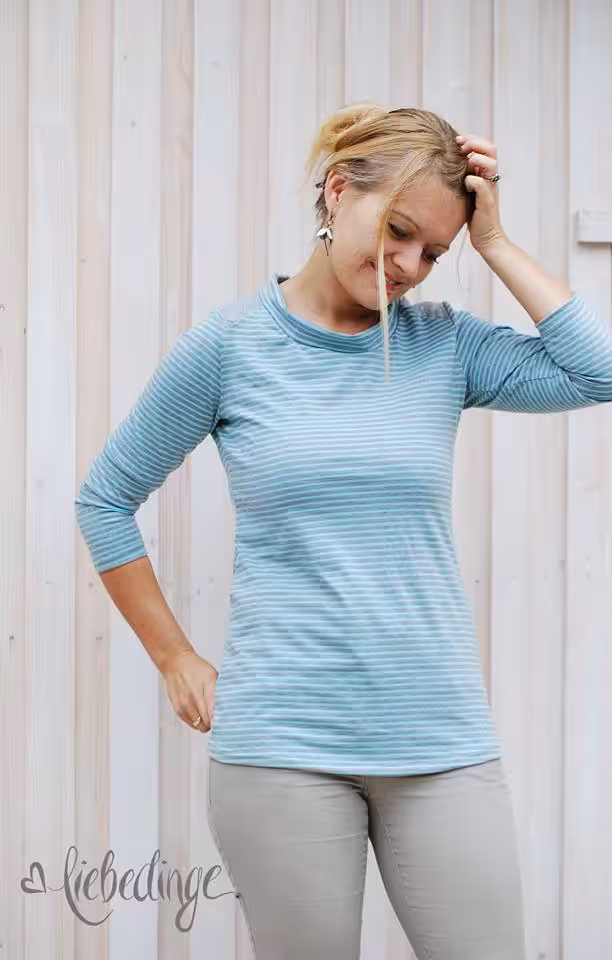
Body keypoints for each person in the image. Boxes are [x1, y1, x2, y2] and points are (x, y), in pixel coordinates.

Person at [75, 103, 612, 959]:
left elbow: (599, 372)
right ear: (336, 191)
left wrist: (496, 243)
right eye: (398, 231)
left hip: (439, 740)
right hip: (281, 747)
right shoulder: (229, 347)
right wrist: (174, 657)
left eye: (433, 252)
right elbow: (105, 500)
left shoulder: (446, 346)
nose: (409, 267)